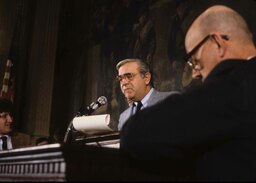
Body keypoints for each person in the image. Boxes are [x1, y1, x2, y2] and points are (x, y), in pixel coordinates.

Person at [120, 5, 256, 181]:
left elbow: (135, 134)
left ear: (217, 43)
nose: (195, 72)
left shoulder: (236, 84)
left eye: (194, 60)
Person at [116, 58, 178, 131]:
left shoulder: (170, 101)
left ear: (146, 78)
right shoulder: (123, 117)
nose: (124, 83)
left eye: (129, 76)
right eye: (121, 79)